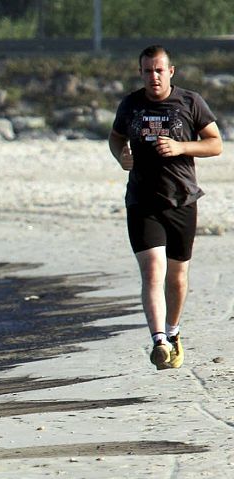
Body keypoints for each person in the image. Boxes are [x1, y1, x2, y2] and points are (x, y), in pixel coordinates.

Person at [110, 44, 223, 370]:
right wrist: (121, 156)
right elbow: (115, 137)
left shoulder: (190, 102)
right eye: (148, 71)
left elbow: (215, 144)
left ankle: (173, 332)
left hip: (182, 200)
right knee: (153, 270)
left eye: (159, 70)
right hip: (142, 202)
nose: (154, 77)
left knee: (177, 276)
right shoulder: (131, 105)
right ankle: (158, 340)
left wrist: (180, 146)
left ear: (170, 72)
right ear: (141, 72)